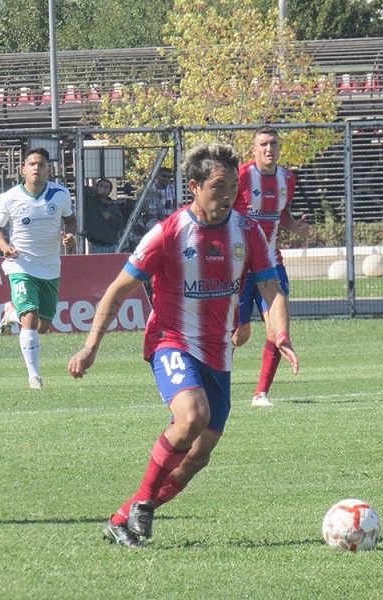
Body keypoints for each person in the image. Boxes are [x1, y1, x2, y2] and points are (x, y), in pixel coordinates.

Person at [68, 142, 298, 548]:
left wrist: (280, 334)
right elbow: (118, 291)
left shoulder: (247, 232)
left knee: (197, 458)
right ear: (193, 186)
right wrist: (91, 346)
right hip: (171, 341)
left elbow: (269, 286)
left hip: (218, 353)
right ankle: (141, 505)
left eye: (232, 188)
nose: (228, 196)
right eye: (219, 186)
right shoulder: (169, 232)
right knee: (191, 416)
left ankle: (125, 516)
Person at [232, 126, 310, 406]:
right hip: (240, 266)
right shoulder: (240, 176)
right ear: (253, 150)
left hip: (272, 264)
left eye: (273, 143)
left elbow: (283, 215)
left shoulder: (287, 178)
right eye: (263, 144)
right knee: (239, 336)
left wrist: (295, 227)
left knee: (276, 330)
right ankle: (208, 375)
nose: (269, 148)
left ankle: (261, 393)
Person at [0, 147, 78, 389]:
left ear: (49, 169)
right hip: (21, 264)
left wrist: (70, 236)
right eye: (32, 164)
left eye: (41, 164)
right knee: (29, 317)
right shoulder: (9, 198)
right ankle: (34, 376)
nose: (36, 168)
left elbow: (70, 220)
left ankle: (11, 312)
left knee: (43, 326)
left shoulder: (60, 194)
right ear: (23, 169)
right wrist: (4, 246)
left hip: (49, 266)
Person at [84, 178, 125, 254]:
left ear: (109, 191)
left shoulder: (113, 206)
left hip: (112, 246)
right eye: (101, 186)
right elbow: (81, 190)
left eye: (106, 187)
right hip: (95, 245)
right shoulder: (91, 202)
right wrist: (96, 191)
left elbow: (121, 224)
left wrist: (111, 218)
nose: (103, 189)